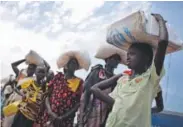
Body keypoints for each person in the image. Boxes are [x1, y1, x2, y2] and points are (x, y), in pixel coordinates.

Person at [91, 13, 168, 127]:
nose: (127, 57)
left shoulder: (150, 79)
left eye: (132, 54)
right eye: (128, 53)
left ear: (146, 58)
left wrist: (161, 21)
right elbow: (94, 88)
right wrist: (116, 78)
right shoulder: (123, 80)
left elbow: (162, 43)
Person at [78, 54, 121, 127]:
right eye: (114, 58)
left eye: (118, 60)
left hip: (107, 115)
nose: (116, 61)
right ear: (107, 60)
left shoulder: (116, 79)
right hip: (92, 111)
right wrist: (81, 119)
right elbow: (86, 92)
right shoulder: (97, 72)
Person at [39, 57, 84, 127]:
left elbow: (78, 103)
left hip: (65, 120)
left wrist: (63, 117)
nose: (74, 65)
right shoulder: (58, 77)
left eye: (76, 64)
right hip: (49, 116)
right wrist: (50, 112)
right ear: (67, 65)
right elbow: (47, 95)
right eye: (72, 62)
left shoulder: (79, 82)